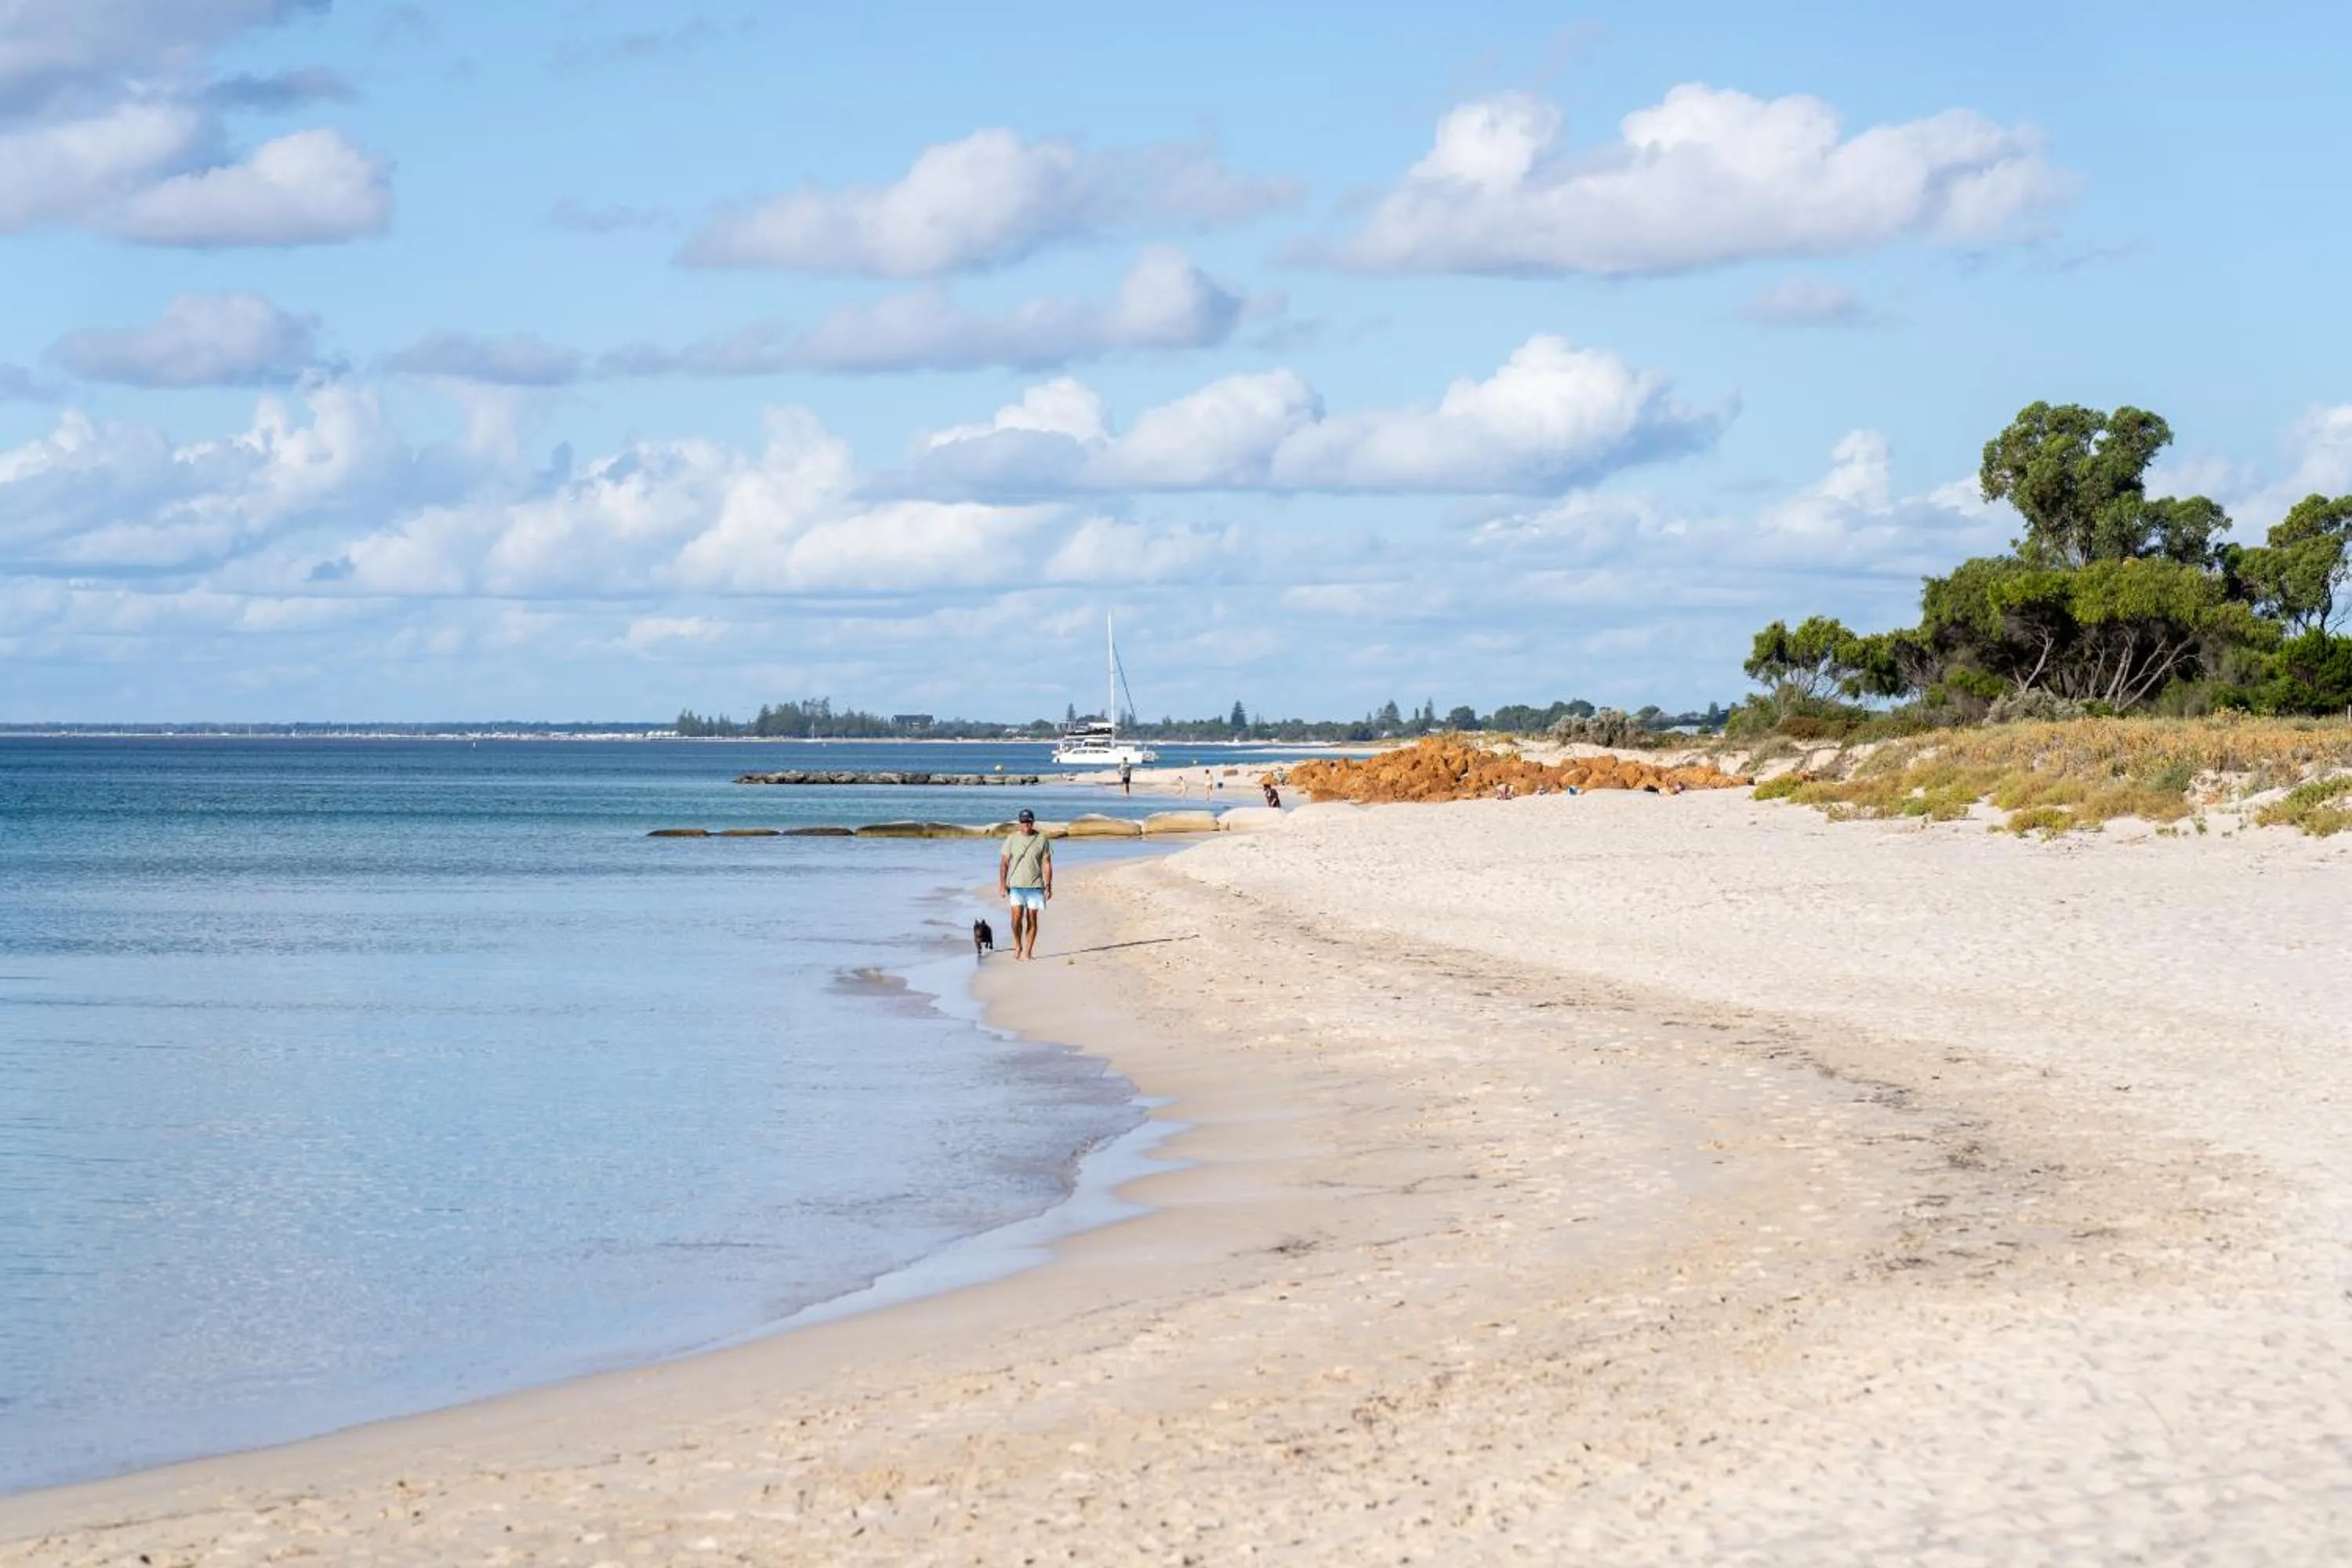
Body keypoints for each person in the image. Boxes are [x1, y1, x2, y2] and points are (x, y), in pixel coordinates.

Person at [996, 808, 1053, 960]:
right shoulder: (1012, 839)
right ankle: (1017, 944)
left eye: (1028, 821)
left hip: (1035, 886)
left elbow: (1047, 863)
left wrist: (1048, 886)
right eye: (1023, 821)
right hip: (1016, 886)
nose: (1026, 824)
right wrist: (1002, 885)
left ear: (1033, 822)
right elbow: (1004, 863)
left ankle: (1028, 951)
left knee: (1032, 919)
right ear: (1019, 823)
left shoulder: (1041, 839)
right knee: (1016, 918)